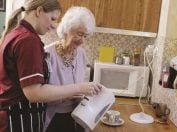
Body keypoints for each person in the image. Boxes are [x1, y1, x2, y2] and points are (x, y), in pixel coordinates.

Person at [0, 1, 101, 132]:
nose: (53, 25)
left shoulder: (17, 33)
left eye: (86, 36)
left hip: (20, 116)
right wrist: (78, 88)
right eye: (52, 19)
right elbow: (35, 93)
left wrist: (84, 93)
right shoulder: (29, 41)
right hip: (21, 117)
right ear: (39, 11)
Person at [44, 6, 96, 132]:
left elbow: (79, 86)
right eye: (80, 34)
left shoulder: (81, 54)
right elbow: (40, 97)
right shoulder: (47, 55)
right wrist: (69, 94)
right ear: (67, 29)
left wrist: (89, 92)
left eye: (85, 36)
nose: (82, 41)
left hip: (77, 115)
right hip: (52, 119)